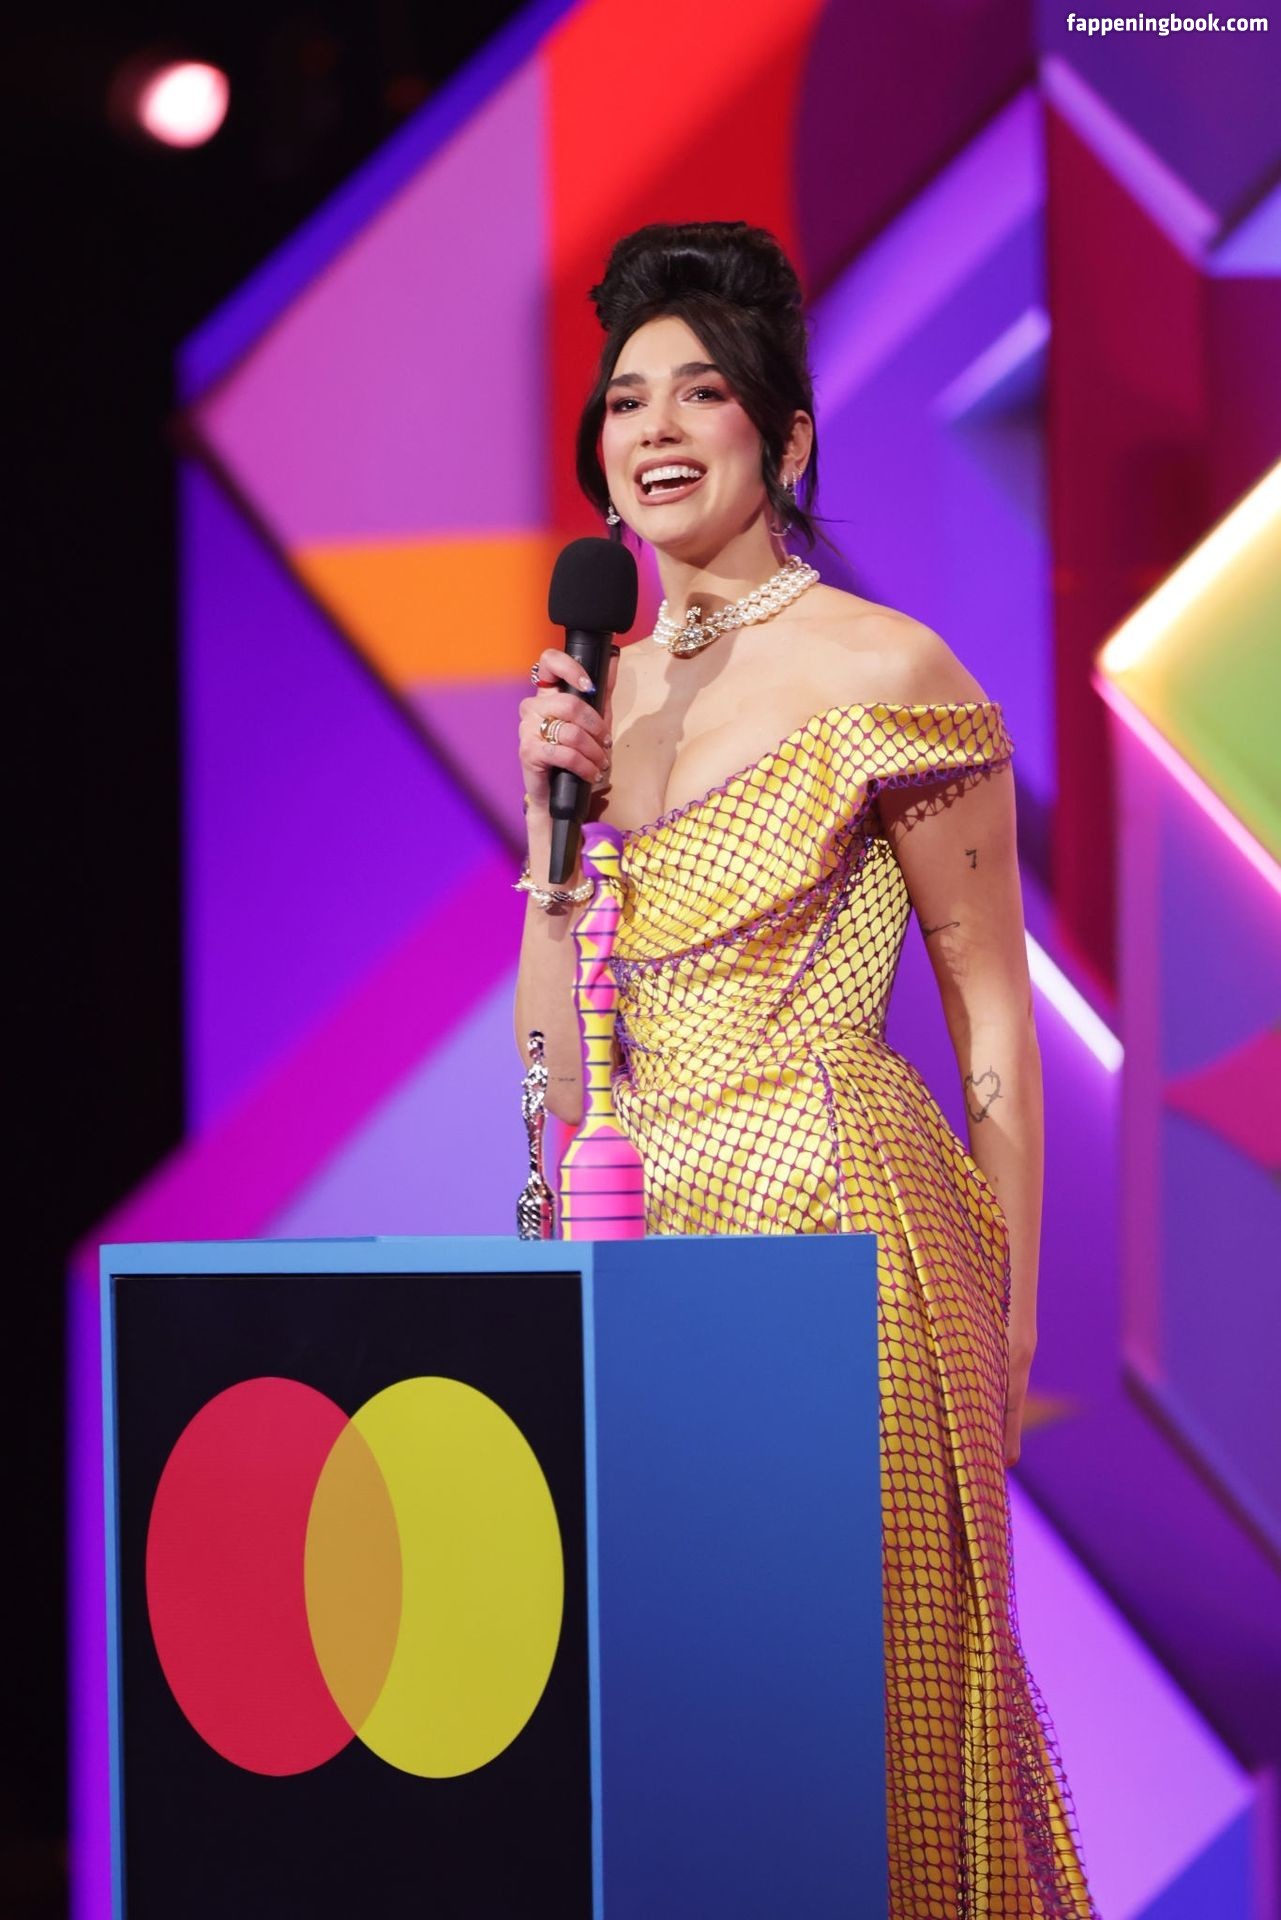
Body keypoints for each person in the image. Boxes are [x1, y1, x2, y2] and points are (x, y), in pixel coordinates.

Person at [513, 220, 1097, 1918]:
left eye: (700, 391)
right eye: (626, 398)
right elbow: (559, 1084)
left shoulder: (880, 671)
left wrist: (1008, 1312)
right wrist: (546, 840)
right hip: (643, 1246)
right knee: (698, 1750)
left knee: (868, 1718)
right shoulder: (590, 703)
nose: (654, 427)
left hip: (841, 1233)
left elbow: (993, 1017)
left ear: (785, 437)